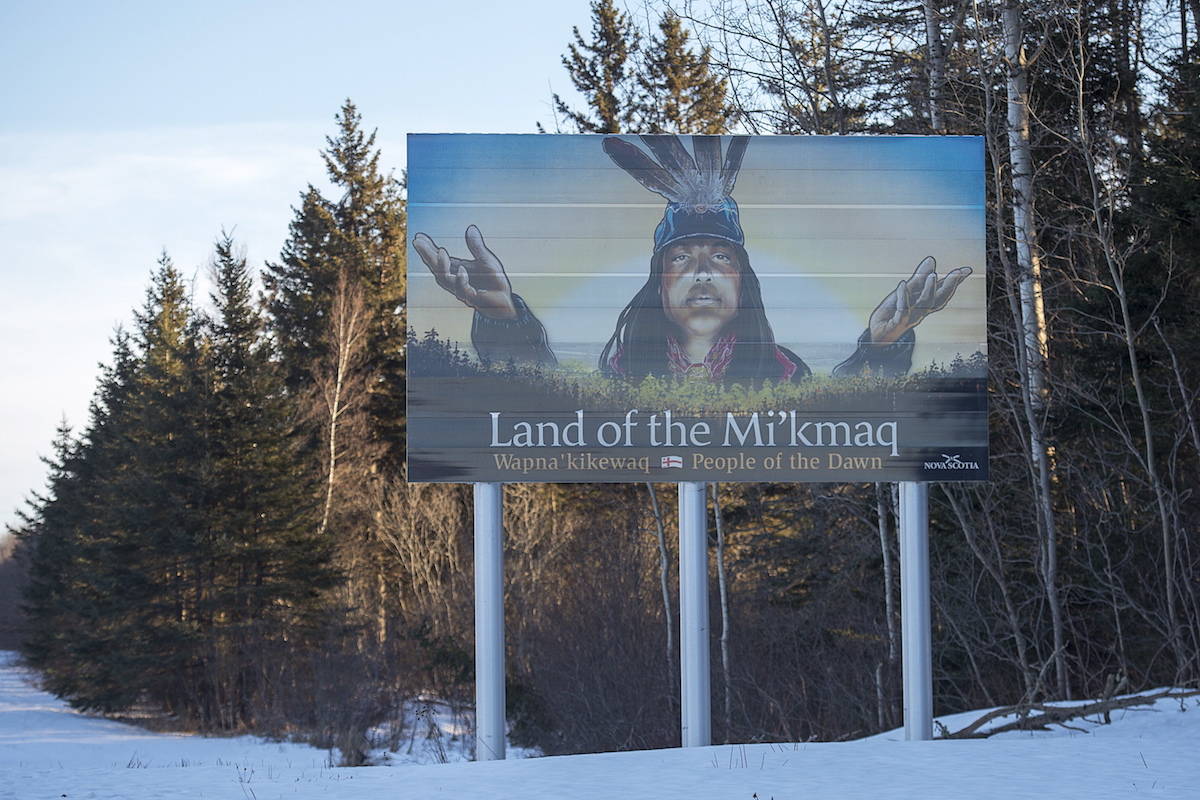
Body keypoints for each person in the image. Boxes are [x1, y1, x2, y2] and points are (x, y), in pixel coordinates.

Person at [413, 135, 971, 383]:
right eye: (681, 257)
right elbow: (544, 406)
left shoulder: (783, 374)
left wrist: (883, 344)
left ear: (743, 279)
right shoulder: (617, 377)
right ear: (657, 281)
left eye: (720, 257)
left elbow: (842, 417)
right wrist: (505, 320)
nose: (702, 271)